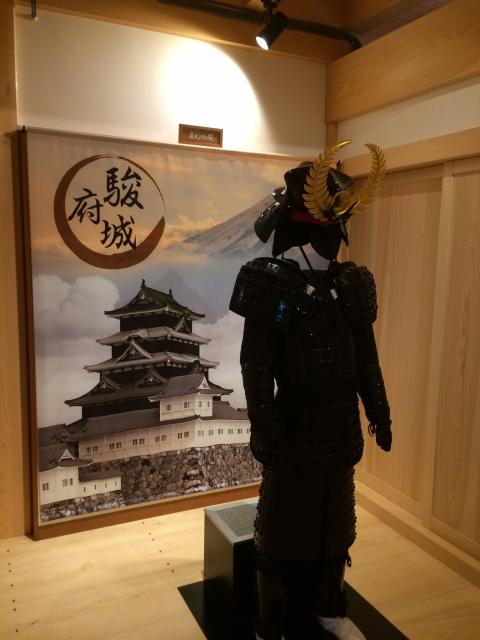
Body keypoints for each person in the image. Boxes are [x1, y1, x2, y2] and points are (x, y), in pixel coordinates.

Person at [229, 141, 392, 640]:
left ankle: (329, 607)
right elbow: (256, 364)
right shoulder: (270, 282)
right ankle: (269, 624)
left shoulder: (352, 284)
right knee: (279, 530)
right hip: (294, 425)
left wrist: (379, 412)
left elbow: (366, 358)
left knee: (335, 525)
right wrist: (264, 424)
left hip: (340, 426)